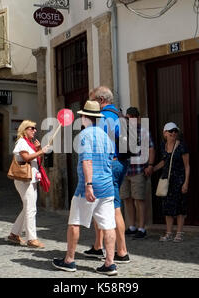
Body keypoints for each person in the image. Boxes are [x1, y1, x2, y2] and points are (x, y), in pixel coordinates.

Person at [53, 100, 118, 276]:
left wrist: (89, 185)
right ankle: (110, 263)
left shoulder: (84, 135)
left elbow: (87, 161)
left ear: (84, 117)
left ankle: (69, 260)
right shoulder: (107, 137)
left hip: (88, 187)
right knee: (108, 225)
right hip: (107, 186)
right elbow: (111, 161)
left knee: (75, 222)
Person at [83, 86, 131, 264]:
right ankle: (97, 246)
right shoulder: (118, 114)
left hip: (110, 164)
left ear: (101, 100)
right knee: (102, 205)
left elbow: (98, 144)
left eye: (93, 101)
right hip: (121, 162)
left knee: (113, 207)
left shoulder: (105, 118)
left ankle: (122, 251)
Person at [7, 120, 51, 249]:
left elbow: (37, 160)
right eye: (32, 128)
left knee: (27, 207)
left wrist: (38, 150)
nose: (34, 130)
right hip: (24, 180)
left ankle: (14, 234)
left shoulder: (29, 144)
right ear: (24, 129)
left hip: (31, 179)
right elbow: (26, 158)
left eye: (35, 128)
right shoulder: (21, 142)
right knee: (31, 209)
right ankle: (32, 239)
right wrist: (41, 151)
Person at [121, 107, 155, 239]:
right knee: (127, 199)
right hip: (125, 170)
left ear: (138, 118)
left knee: (139, 199)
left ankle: (142, 228)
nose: (131, 121)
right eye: (129, 118)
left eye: (133, 118)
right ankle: (132, 226)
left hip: (138, 170)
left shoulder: (143, 131)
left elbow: (151, 147)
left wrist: (150, 165)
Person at [153, 122, 190, 242]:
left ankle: (179, 233)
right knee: (167, 208)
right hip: (166, 180)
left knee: (180, 207)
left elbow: (187, 166)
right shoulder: (163, 146)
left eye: (175, 131)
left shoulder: (182, 146)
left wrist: (186, 183)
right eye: (170, 131)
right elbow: (165, 162)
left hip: (178, 180)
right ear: (165, 133)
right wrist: (152, 169)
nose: (173, 133)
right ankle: (168, 232)